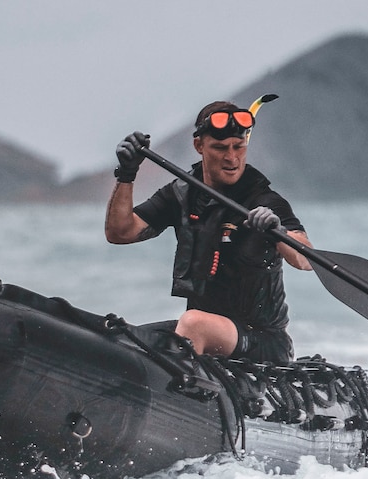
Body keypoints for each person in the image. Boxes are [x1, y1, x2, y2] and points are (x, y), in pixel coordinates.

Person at [104, 99, 313, 363]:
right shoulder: (180, 194)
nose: (231, 157)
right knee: (119, 337)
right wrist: (126, 174)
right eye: (220, 148)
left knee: (192, 324)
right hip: (206, 331)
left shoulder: (264, 199)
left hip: (262, 341)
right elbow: (120, 232)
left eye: (239, 147)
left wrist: (278, 231)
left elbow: (305, 258)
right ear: (199, 146)